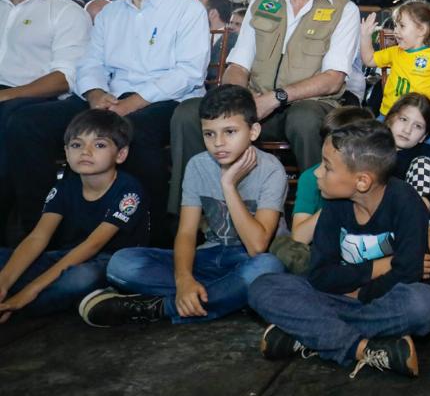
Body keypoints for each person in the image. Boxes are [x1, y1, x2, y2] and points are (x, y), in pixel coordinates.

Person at [8, 0, 208, 245]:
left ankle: (150, 237)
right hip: (107, 98)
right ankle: (42, 229)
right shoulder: (111, 13)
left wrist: (133, 102)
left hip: (165, 100)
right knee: (25, 122)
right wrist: (95, 93)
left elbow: (188, 73)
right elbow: (90, 64)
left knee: (132, 132)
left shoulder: (186, 10)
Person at [168, 0, 362, 213]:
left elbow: (333, 79)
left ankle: (320, 217)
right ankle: (187, 216)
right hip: (254, 104)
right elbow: (238, 65)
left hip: (308, 105)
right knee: (188, 113)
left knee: (306, 120)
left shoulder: (344, 10)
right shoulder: (263, 3)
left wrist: (276, 97)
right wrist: (240, 101)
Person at [247, 119, 430, 379]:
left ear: (362, 181)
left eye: (327, 167)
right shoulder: (335, 205)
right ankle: (362, 348)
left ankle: (309, 334)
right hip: (337, 296)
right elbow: (320, 275)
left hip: (378, 298)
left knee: (424, 304)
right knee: (263, 287)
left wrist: (360, 293)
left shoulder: (407, 203)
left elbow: (406, 273)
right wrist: (379, 266)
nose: (317, 173)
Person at [78, 85, 285, 326]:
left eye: (230, 131)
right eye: (209, 134)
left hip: (247, 261)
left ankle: (160, 308)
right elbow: (186, 233)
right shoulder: (198, 165)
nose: (218, 143)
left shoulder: (270, 170)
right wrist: (184, 279)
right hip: (207, 258)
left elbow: (257, 247)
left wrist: (228, 185)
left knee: (269, 268)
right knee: (121, 264)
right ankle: (227, 297)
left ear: (253, 131)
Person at [0, 110, 148, 320]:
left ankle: (20, 307)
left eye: (99, 145)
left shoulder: (129, 191)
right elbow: (38, 237)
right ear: (66, 152)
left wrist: (30, 290)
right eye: (77, 145)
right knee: (6, 259)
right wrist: (3, 281)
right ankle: (13, 297)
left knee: (80, 279)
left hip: (107, 263)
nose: (85, 152)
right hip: (66, 257)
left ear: (121, 154)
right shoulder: (64, 187)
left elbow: (92, 245)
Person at [0, 0, 92, 235]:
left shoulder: (64, 12)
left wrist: (6, 96)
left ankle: (30, 232)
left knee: (12, 118)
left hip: (38, 100)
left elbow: (65, 78)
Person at [270, 105, 373, 275]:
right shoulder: (311, 178)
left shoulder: (369, 180)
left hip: (362, 255)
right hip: (320, 255)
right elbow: (300, 237)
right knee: (283, 248)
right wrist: (334, 196)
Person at [384, 93, 430, 258]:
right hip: (389, 227)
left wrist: (422, 207)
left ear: (424, 137)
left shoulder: (427, 152)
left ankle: (421, 257)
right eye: (403, 119)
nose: (407, 130)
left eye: (417, 126)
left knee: (422, 165)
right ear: (389, 120)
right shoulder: (374, 149)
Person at [360, 0, 430, 118]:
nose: (396, 31)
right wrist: (365, 36)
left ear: (421, 30)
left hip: (417, 119)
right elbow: (369, 60)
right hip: (388, 115)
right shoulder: (394, 52)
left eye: (402, 26)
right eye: (396, 26)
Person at [203, 0, 238, 82]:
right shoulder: (195, 36)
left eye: (199, 8)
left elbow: (215, 73)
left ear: (213, 13)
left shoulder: (233, 40)